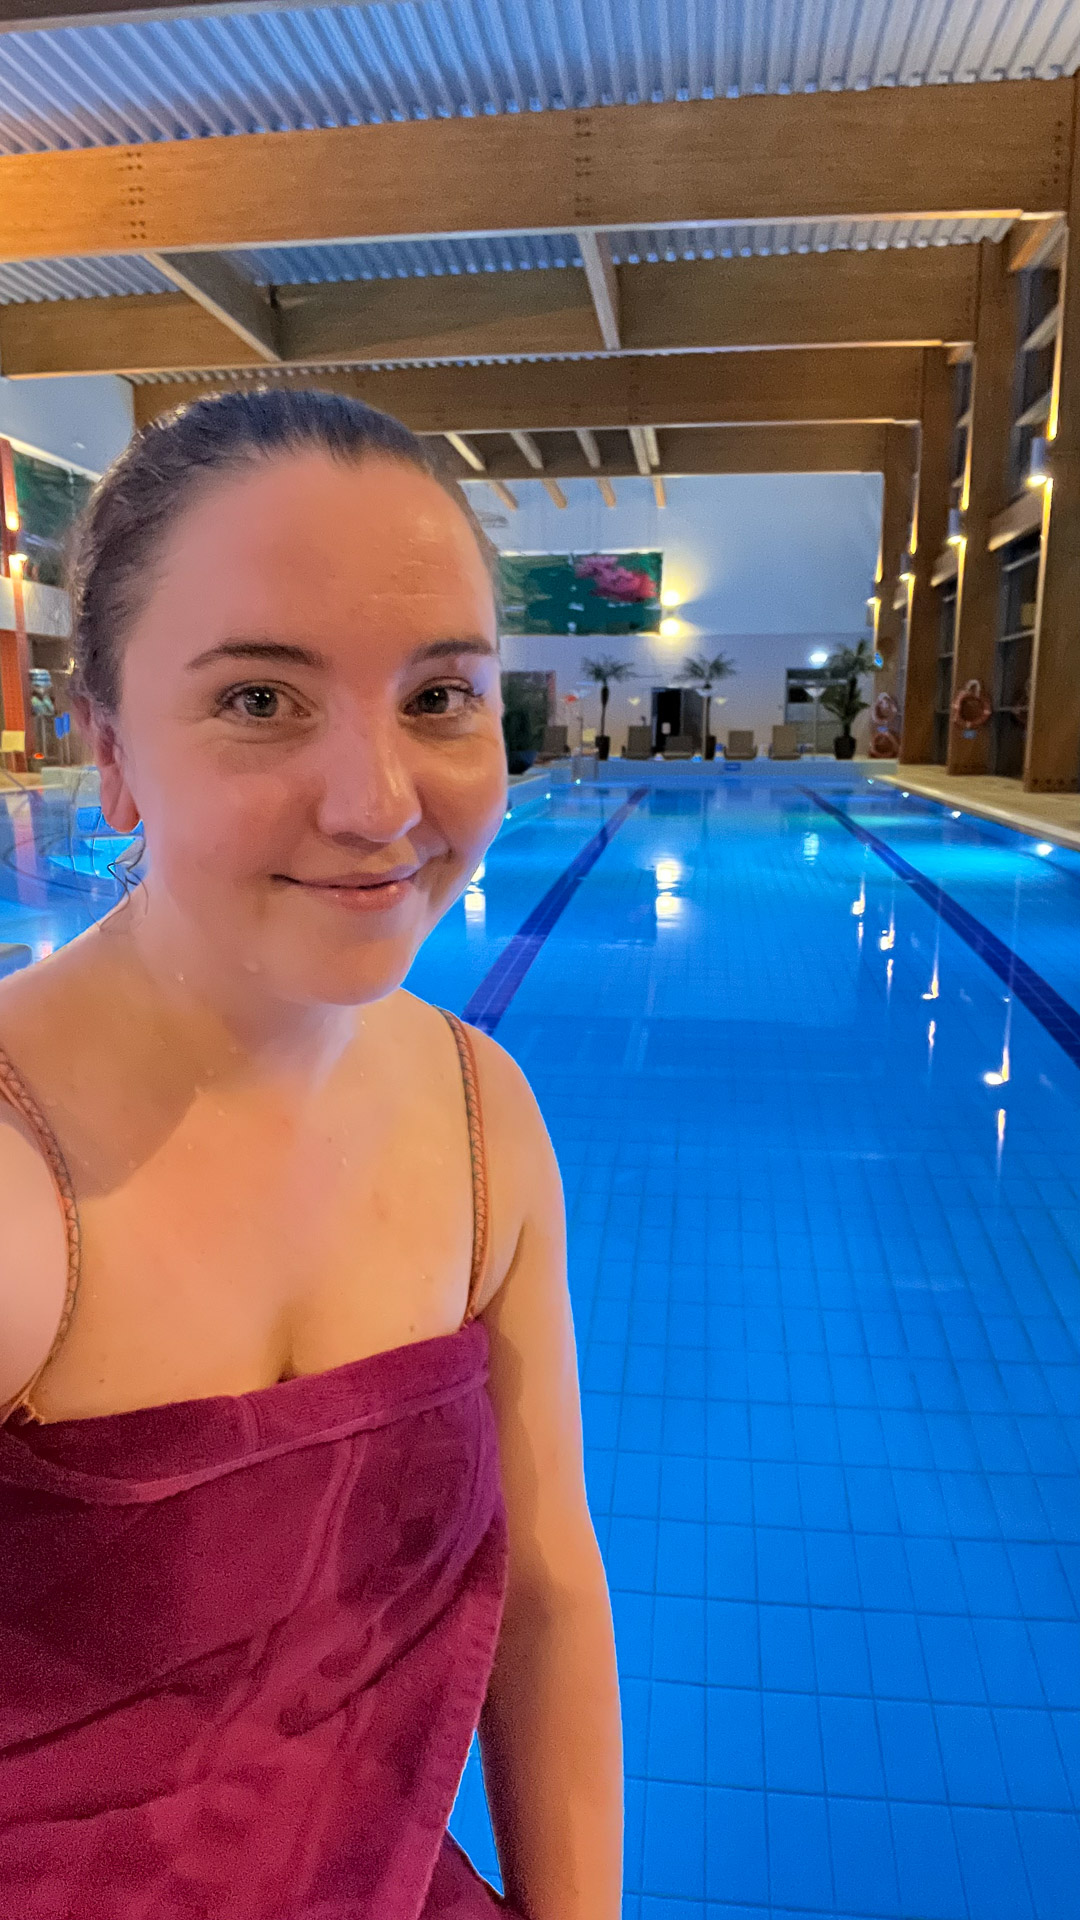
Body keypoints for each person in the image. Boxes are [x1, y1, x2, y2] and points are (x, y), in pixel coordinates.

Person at [0, 389, 622, 1919]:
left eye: (440, 697)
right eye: (262, 701)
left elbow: (546, 1598)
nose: (378, 805)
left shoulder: (488, 1119)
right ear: (116, 758)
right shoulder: (23, 1182)